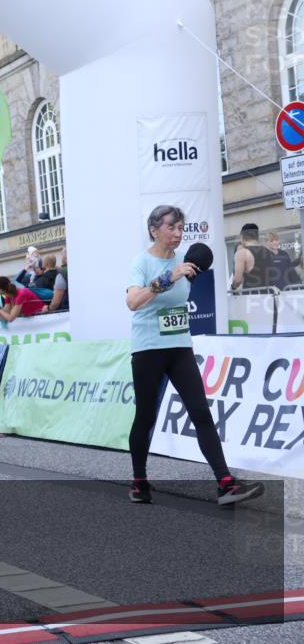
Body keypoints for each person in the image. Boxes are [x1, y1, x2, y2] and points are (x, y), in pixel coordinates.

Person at [126, 205, 263, 506]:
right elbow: (133, 302)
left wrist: (181, 272)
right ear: (154, 230)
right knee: (145, 417)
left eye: (180, 228)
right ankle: (139, 481)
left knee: (200, 411)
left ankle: (225, 483)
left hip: (179, 346)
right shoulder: (142, 262)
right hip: (148, 348)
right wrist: (169, 276)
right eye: (171, 228)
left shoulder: (186, 261)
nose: (178, 233)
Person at [231, 223, 271, 290]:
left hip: (251, 296)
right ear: (257, 236)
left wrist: (233, 287)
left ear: (242, 237)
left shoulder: (242, 253)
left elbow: (238, 280)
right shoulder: (268, 251)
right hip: (270, 294)